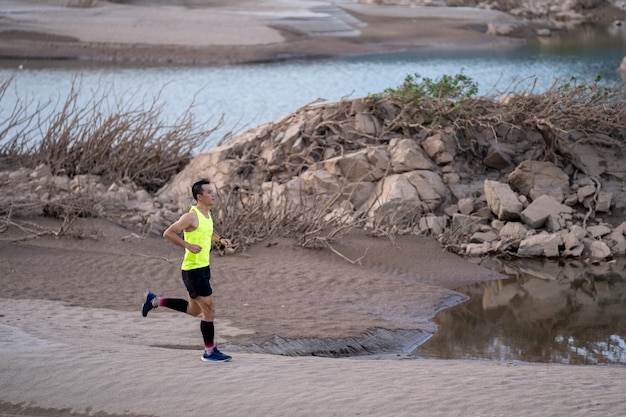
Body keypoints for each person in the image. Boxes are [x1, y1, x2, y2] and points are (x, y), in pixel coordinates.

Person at [142, 178, 233, 362]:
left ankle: (154, 301)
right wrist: (187, 245)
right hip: (192, 271)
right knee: (209, 309)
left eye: (213, 191)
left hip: (203, 268)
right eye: (209, 192)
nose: (213, 194)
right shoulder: (191, 216)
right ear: (199, 197)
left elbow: (207, 233)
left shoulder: (207, 215)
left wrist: (220, 239)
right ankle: (209, 352)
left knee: (194, 311)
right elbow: (168, 232)